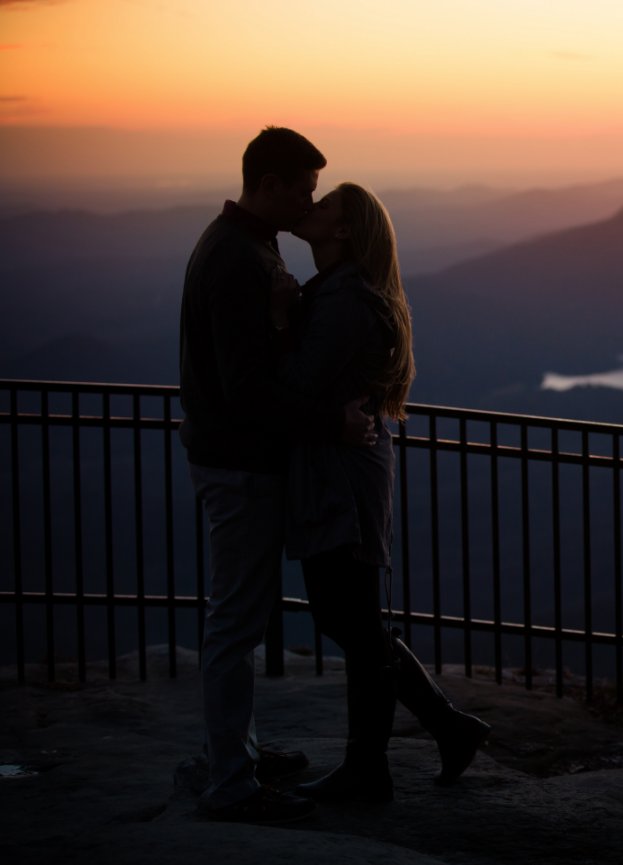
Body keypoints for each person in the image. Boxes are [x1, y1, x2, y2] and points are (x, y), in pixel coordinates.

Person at [273, 181, 490, 804]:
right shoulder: (344, 294)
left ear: (344, 232)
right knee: (353, 620)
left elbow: (297, 384)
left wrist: (282, 319)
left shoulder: (342, 302)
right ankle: (444, 731)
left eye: (324, 206)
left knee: (351, 621)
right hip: (345, 471)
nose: (309, 207)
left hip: (340, 477)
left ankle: (372, 768)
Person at [179, 126, 372, 824]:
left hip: (229, 457)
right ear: (269, 184)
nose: (308, 203)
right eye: (303, 190)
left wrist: (283, 318)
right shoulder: (239, 259)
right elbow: (246, 390)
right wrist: (335, 425)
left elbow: (252, 370)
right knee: (234, 621)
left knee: (241, 615)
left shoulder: (241, 246)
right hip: (239, 465)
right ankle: (230, 780)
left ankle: (236, 751)